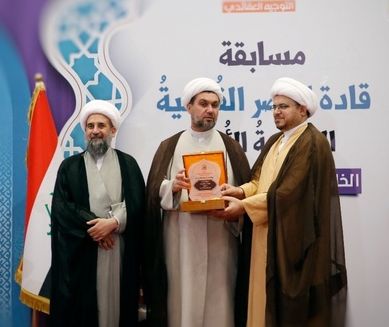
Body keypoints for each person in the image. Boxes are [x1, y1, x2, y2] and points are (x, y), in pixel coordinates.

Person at [215, 77, 348, 327]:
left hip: (292, 244)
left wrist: (243, 207)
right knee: (260, 302)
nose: (276, 112)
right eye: (274, 107)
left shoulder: (311, 142)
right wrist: (240, 191)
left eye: (283, 106)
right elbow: (260, 181)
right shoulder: (275, 141)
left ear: (302, 110)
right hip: (264, 236)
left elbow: (288, 193)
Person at [145, 77, 251, 327]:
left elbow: (245, 193)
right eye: (203, 104)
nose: (210, 110)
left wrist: (233, 205)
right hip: (181, 239)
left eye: (215, 105)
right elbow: (153, 192)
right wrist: (173, 186)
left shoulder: (231, 147)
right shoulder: (169, 146)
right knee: (182, 301)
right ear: (189, 106)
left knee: (220, 302)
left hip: (220, 237)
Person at [49, 99, 145, 327]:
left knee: (117, 307)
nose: (95, 131)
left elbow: (139, 202)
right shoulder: (70, 167)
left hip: (118, 248)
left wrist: (113, 223)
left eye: (101, 126)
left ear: (113, 131)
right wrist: (96, 228)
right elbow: (62, 208)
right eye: (90, 126)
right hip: (83, 252)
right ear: (85, 130)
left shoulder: (128, 164)